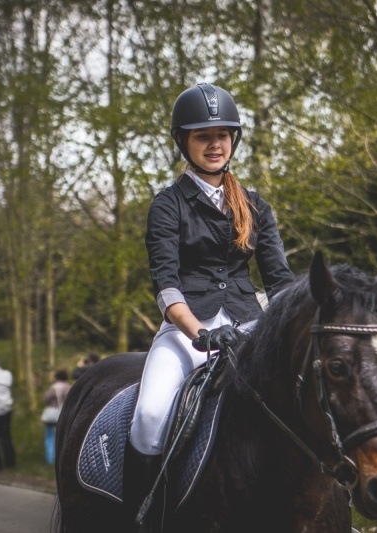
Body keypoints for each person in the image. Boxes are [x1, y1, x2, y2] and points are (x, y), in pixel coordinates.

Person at [127, 82, 296, 505]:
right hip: (189, 331)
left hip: (249, 324)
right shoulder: (168, 205)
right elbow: (166, 285)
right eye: (203, 136)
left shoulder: (256, 206)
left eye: (222, 135)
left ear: (233, 139)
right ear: (184, 142)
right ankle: (145, 514)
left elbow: (280, 282)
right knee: (149, 417)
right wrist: (199, 333)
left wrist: (290, 329)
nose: (215, 144)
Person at [42, 368, 71, 465]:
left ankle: (50, 459)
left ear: (56, 377)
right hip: (63, 415)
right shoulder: (69, 388)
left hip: (52, 414)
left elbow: (45, 398)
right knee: (62, 437)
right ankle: (62, 458)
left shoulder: (54, 387)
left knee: (50, 437)